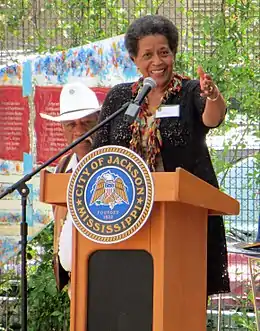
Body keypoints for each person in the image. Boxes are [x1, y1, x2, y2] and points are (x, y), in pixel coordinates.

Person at [92, 14, 229, 297]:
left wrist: (213, 95)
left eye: (164, 52)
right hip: (126, 217)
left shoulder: (189, 91)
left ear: (173, 53)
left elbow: (212, 118)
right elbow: (100, 152)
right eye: (148, 55)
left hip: (184, 218)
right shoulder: (120, 99)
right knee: (132, 299)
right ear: (134, 60)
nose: (157, 62)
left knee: (180, 294)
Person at [40, 81, 100, 296]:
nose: (79, 131)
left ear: (100, 122)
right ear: (63, 129)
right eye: (71, 125)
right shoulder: (62, 167)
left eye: (86, 123)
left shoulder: (112, 164)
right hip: (74, 283)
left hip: (105, 276)